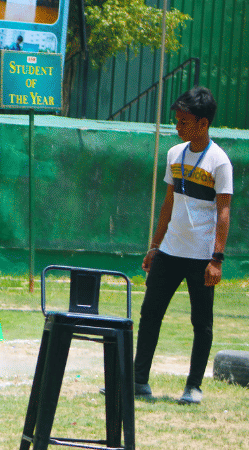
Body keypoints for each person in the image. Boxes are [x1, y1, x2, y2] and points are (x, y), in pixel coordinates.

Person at [132, 87, 231, 405]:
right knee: (149, 314)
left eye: (184, 121)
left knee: (201, 323)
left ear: (203, 124)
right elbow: (168, 204)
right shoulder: (174, 153)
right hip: (169, 252)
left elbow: (224, 211)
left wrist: (216, 259)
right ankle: (138, 381)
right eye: (176, 120)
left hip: (201, 257)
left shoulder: (219, 162)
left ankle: (193, 387)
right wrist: (154, 246)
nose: (178, 126)